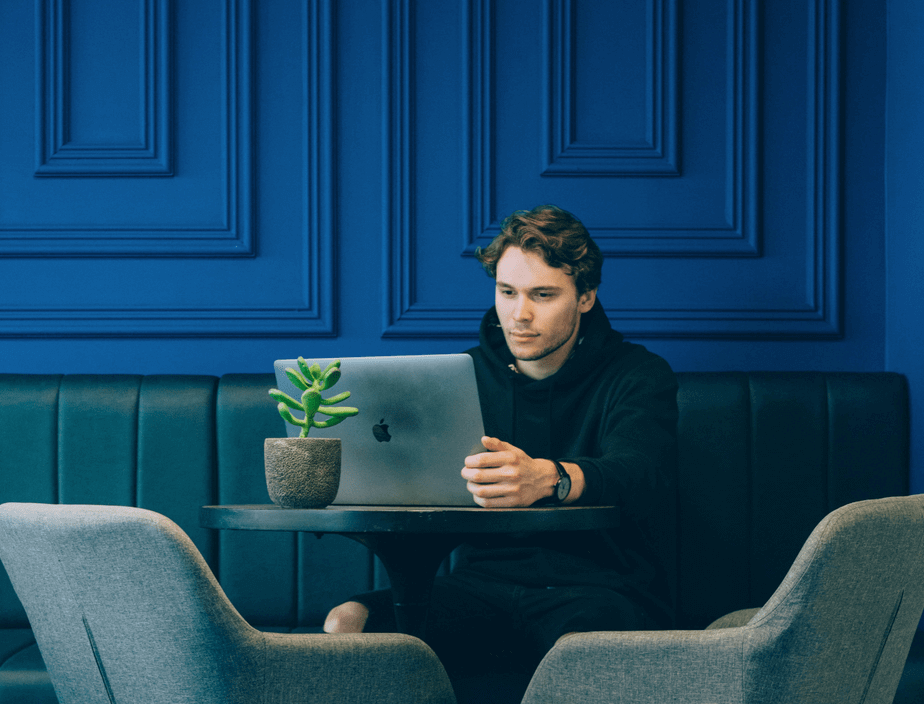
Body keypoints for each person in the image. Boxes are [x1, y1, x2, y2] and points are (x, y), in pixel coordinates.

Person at [324, 205, 678, 690]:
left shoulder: (637, 374)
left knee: (586, 652)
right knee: (347, 621)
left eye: (543, 295)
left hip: (598, 587)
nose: (519, 314)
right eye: (507, 292)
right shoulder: (461, 376)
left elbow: (641, 472)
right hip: (482, 585)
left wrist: (549, 478)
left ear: (586, 297)